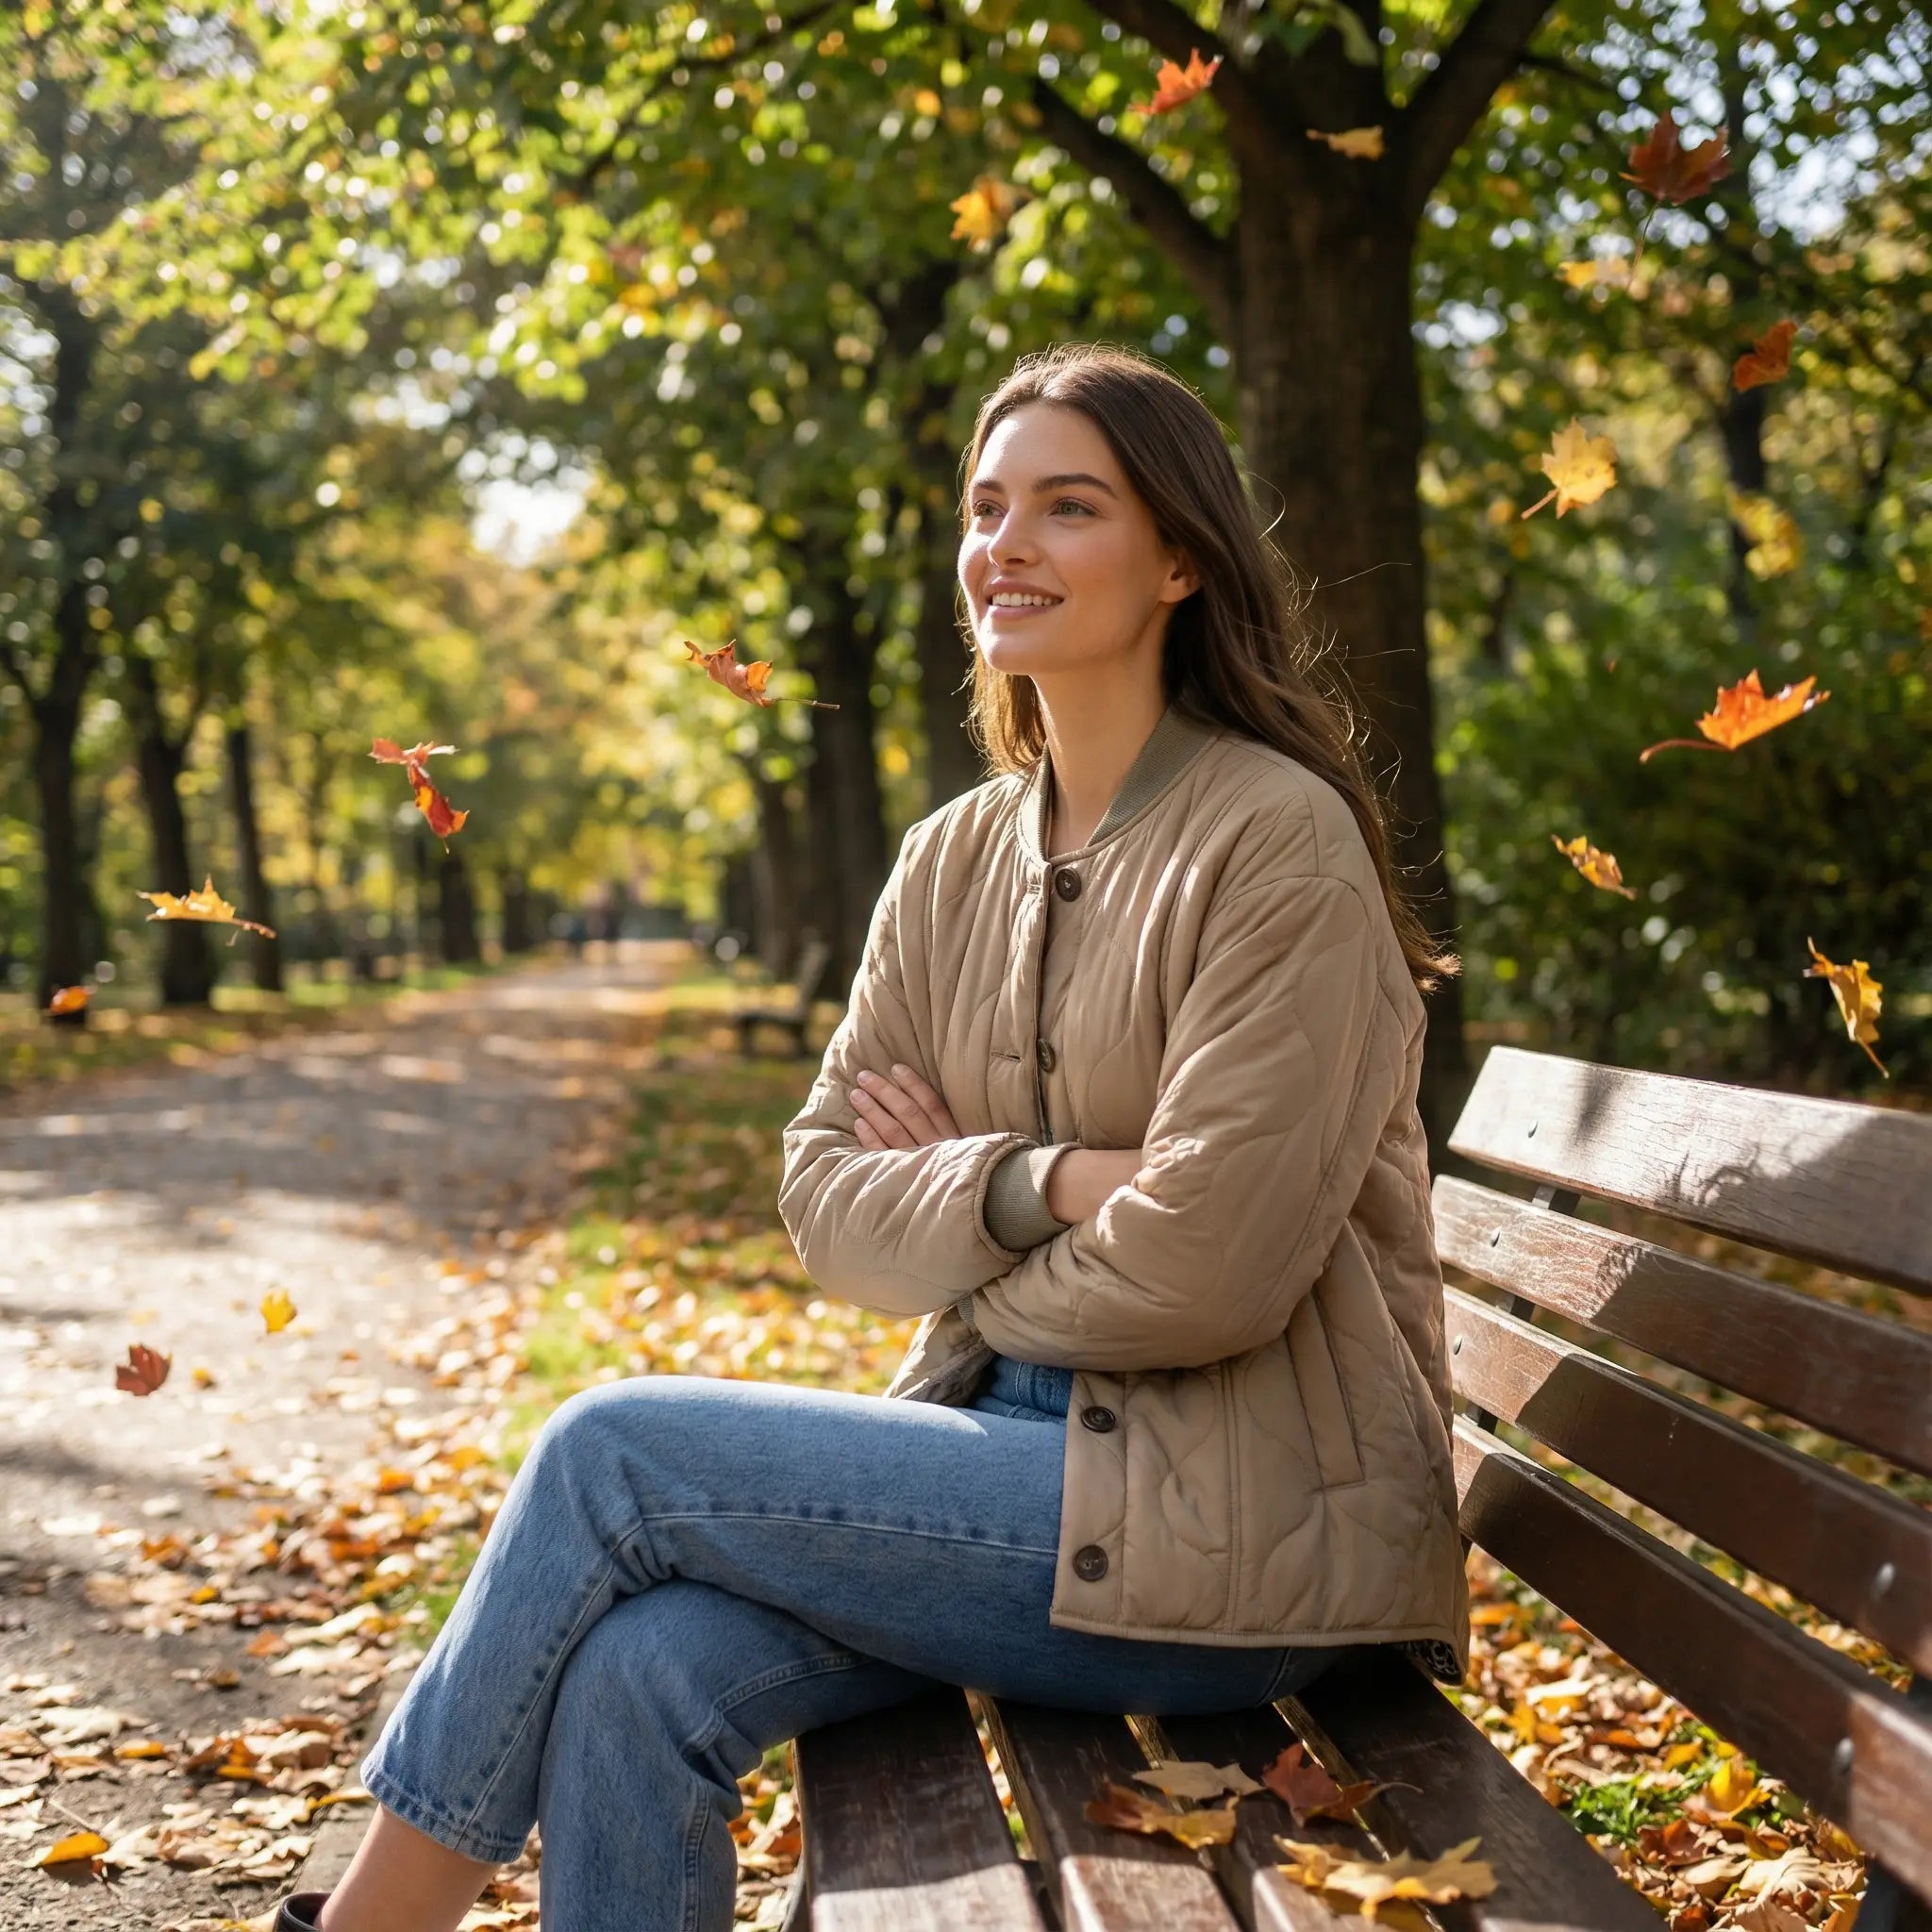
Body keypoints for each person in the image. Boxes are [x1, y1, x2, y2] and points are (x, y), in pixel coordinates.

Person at [270, 342, 1469, 1932]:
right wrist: (1045, 1181)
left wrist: (964, 1239)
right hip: (1004, 1477)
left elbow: (1210, 1271)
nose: (1007, 544)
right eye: (987, 507)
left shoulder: (1276, 844)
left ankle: (357, 1924)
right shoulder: (951, 857)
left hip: (1242, 1530)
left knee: (603, 1449)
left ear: (1180, 559)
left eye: (1068, 506)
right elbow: (825, 1200)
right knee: (637, 1675)